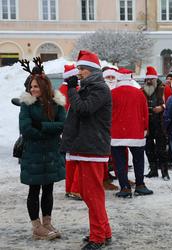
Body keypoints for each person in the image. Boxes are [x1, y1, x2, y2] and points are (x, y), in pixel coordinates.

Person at [60, 50, 112, 250]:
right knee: (88, 192)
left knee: (92, 194)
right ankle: (103, 231)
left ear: (92, 71)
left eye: (81, 68)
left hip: (92, 148)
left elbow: (83, 109)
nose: (78, 72)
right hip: (85, 146)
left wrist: (72, 90)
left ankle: (98, 237)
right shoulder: (90, 87)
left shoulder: (99, 88)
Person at [19, 69, 66, 240]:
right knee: (34, 189)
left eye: (36, 86)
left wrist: (42, 126)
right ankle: (36, 226)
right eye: (31, 86)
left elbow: (63, 124)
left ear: (45, 87)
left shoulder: (57, 104)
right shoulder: (27, 104)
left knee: (48, 189)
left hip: (51, 153)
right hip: (33, 154)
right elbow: (26, 129)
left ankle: (47, 223)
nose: (33, 89)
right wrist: (48, 131)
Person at [111, 68, 153, 197]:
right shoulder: (139, 93)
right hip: (136, 131)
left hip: (117, 133)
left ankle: (124, 187)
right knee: (138, 160)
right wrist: (145, 128)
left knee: (120, 162)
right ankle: (140, 185)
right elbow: (145, 113)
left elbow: (107, 114)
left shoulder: (112, 93)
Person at [58, 64, 82, 200]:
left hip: (65, 129)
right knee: (79, 160)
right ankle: (76, 189)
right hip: (75, 128)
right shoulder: (77, 90)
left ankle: (69, 188)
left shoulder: (60, 90)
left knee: (70, 160)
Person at [142, 66, 170, 180]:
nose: (149, 81)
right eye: (147, 79)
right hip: (147, 124)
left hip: (160, 123)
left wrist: (162, 107)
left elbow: (171, 104)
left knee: (161, 149)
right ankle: (153, 169)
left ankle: (164, 171)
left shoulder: (164, 89)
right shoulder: (142, 90)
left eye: (151, 79)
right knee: (148, 148)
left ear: (155, 79)